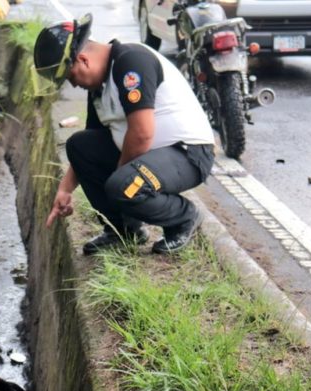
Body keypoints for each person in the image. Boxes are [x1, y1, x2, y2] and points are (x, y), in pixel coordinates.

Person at [34, 14, 216, 255]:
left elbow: (141, 133)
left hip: (188, 153)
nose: (75, 85)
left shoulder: (131, 62)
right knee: (79, 146)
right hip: (154, 155)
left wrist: (120, 176)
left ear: (83, 60)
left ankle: (183, 218)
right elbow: (92, 142)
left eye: (71, 77)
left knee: (124, 185)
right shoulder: (99, 87)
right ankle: (122, 231)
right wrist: (65, 190)